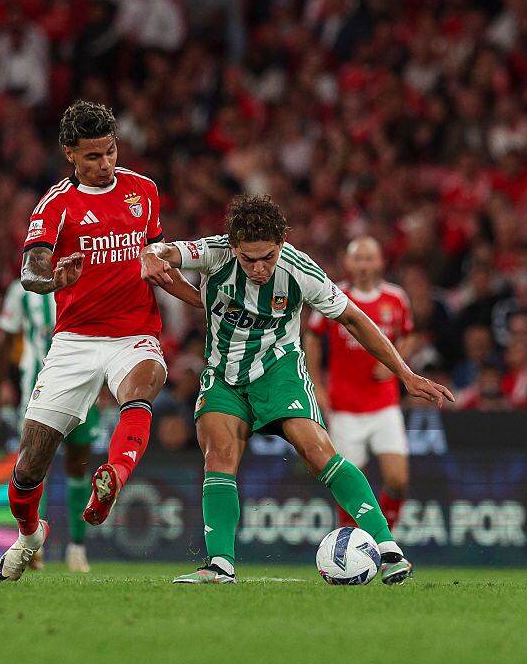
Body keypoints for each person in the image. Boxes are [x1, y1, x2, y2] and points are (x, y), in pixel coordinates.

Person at [140, 195, 453, 585]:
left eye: (267, 257)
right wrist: (152, 256)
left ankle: (389, 550)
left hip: (280, 370)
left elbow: (355, 319)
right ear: (233, 246)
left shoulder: (300, 270)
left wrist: (404, 373)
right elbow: (162, 249)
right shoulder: (213, 253)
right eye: (248, 258)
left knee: (318, 451)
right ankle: (220, 565)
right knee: (219, 454)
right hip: (224, 374)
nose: (258, 268)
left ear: (281, 245)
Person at [0, 100, 202, 582]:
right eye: (92, 157)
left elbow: (157, 265)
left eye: (109, 152)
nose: (104, 163)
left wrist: (201, 304)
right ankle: (30, 536)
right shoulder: (55, 204)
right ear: (70, 154)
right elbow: (30, 271)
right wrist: (54, 280)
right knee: (30, 465)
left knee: (147, 380)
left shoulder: (144, 191)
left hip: (134, 332)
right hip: (75, 340)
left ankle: (111, 479)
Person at [0, 278, 100, 573]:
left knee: (78, 465)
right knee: (35, 464)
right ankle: (31, 543)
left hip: (84, 383)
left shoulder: (86, 278)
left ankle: (77, 546)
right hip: (38, 387)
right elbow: (6, 340)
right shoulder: (20, 290)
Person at [304, 237, 415, 530]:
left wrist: (395, 365)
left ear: (380, 262)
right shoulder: (333, 295)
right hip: (344, 406)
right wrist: (317, 385)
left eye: (370, 258)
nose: (364, 265)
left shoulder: (396, 298)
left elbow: (409, 336)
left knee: (398, 480)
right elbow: (312, 340)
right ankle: (353, 544)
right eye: (358, 258)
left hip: (384, 404)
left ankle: (382, 538)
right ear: (348, 263)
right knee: (349, 485)